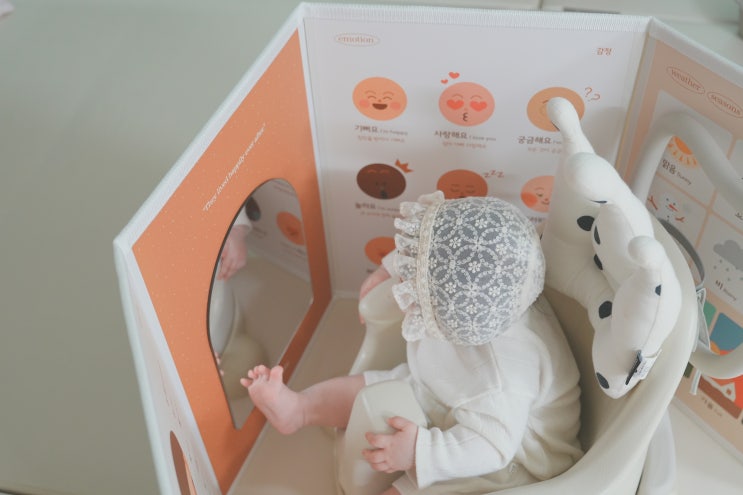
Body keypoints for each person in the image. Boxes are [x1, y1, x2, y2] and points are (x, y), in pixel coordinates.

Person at [241, 191, 583, 494]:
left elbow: (493, 447)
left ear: (451, 312)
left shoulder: (503, 379)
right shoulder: (487, 277)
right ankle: (300, 409)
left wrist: (421, 450)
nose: (404, 286)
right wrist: (387, 271)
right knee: (363, 388)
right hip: (447, 389)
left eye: (412, 288)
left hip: (504, 456)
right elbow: (435, 248)